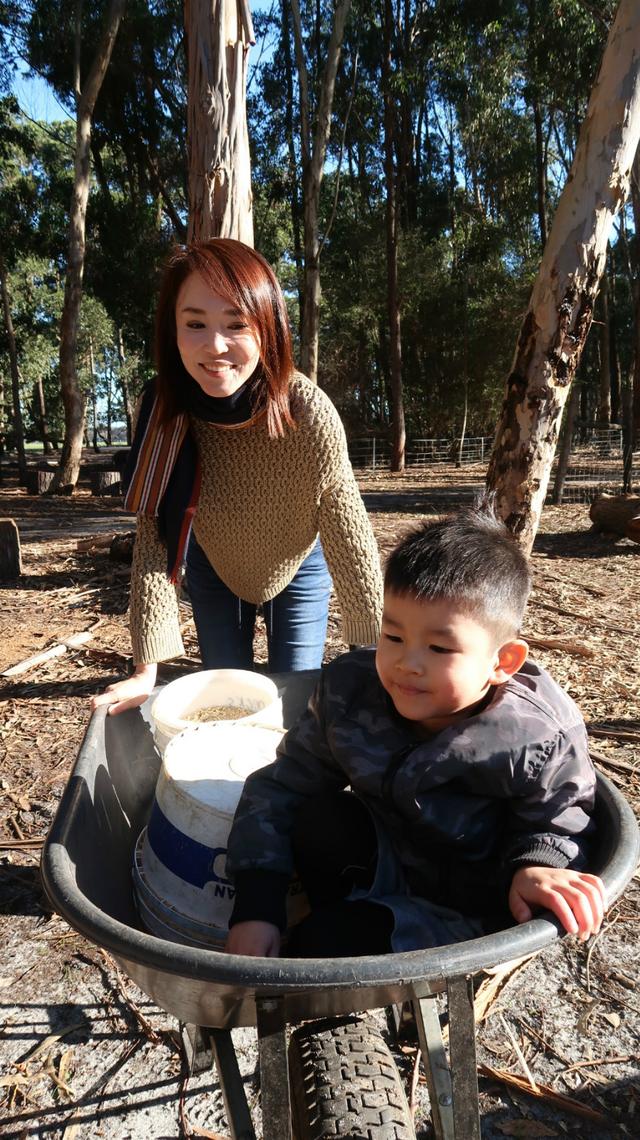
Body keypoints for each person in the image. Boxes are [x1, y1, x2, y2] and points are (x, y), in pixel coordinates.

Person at [225, 501, 605, 958]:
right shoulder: (350, 692)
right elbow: (282, 787)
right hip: (386, 855)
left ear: (502, 662)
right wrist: (256, 906)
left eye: (440, 648)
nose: (408, 663)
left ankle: (354, 939)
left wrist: (536, 865)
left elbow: (559, 822)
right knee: (319, 818)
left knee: (316, 946)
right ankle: (342, 911)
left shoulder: (537, 736)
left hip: (468, 908)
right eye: (394, 637)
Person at [92, 239, 383, 715]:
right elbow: (154, 534)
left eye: (236, 324)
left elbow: (349, 534)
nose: (215, 346)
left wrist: (373, 655)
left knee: (295, 696)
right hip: (213, 561)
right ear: (173, 330)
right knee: (226, 696)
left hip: (298, 562)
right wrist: (146, 671)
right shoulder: (165, 408)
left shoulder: (305, 410)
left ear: (267, 328)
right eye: (195, 324)